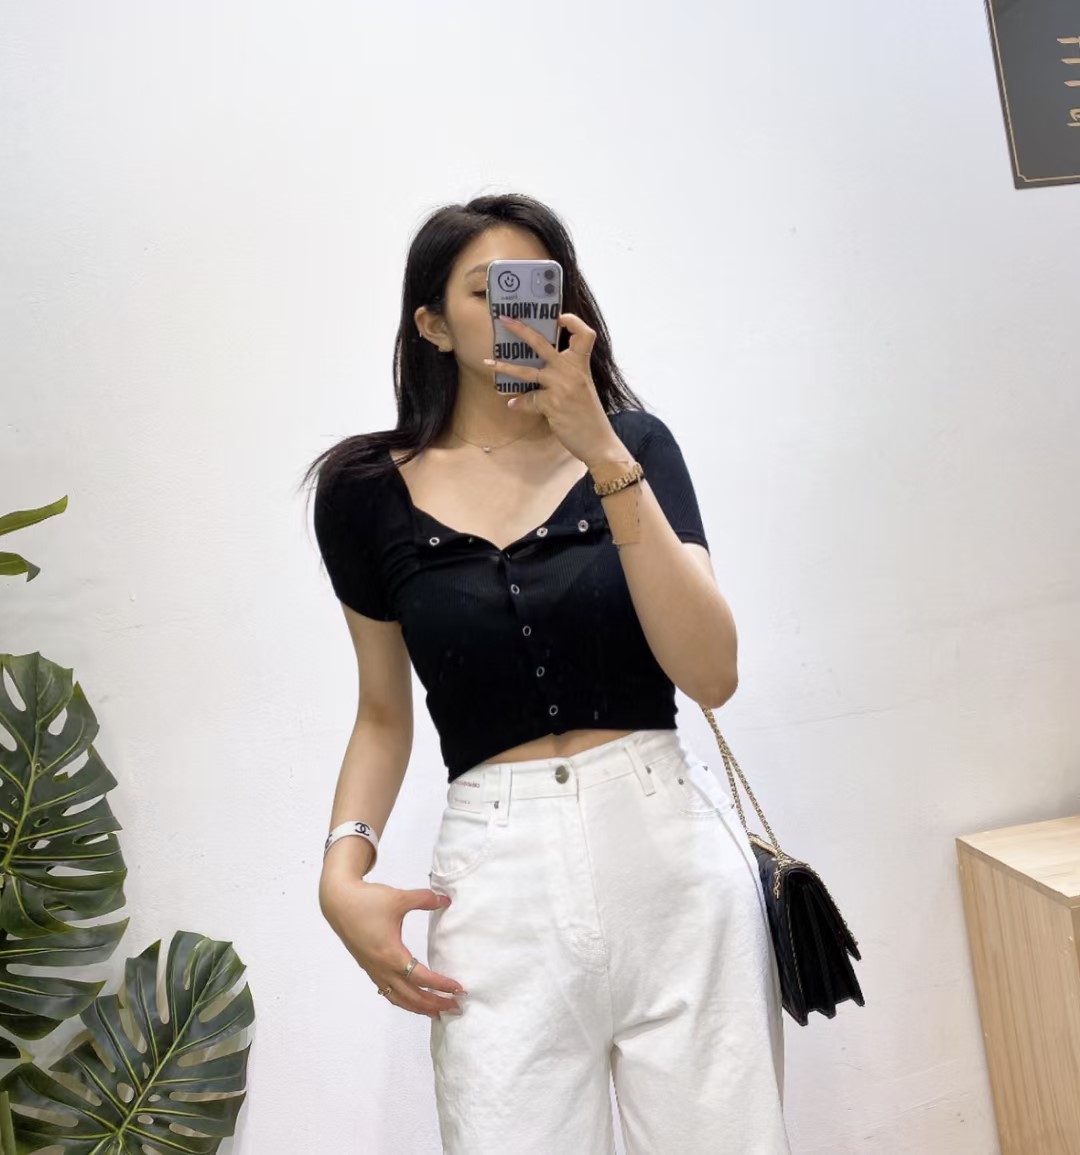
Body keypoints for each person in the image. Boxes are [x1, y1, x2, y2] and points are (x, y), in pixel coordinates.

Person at [303, 192, 789, 1154]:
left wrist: (600, 449)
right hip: (498, 878)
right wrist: (340, 871)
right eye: (486, 291)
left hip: (671, 855)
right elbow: (382, 713)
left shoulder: (634, 446)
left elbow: (711, 672)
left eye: (534, 286)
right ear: (432, 325)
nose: (514, 311)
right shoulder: (363, 493)